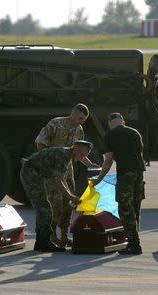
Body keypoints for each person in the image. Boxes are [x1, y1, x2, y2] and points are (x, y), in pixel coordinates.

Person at [35, 103, 98, 247]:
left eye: (84, 119)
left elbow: (80, 151)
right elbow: (40, 142)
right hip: (53, 168)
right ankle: (51, 237)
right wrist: (45, 161)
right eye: (80, 118)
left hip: (68, 169)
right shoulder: (55, 123)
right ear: (73, 113)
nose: (81, 122)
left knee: (68, 204)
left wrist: (89, 164)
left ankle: (64, 237)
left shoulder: (79, 129)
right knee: (54, 203)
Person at [20, 140, 93, 252]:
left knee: (44, 208)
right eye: (82, 155)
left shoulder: (67, 156)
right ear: (75, 149)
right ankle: (44, 242)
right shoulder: (62, 155)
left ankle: (41, 242)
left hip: (38, 175)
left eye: (85, 156)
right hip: (31, 174)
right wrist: (70, 197)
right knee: (44, 208)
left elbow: (62, 179)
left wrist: (70, 196)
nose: (82, 158)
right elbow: (58, 180)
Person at [92, 112, 145, 255]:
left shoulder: (110, 135)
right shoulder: (135, 133)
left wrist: (100, 178)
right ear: (123, 121)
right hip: (139, 173)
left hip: (125, 174)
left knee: (125, 209)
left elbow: (108, 160)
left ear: (110, 123)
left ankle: (134, 244)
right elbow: (140, 152)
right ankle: (134, 240)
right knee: (135, 207)